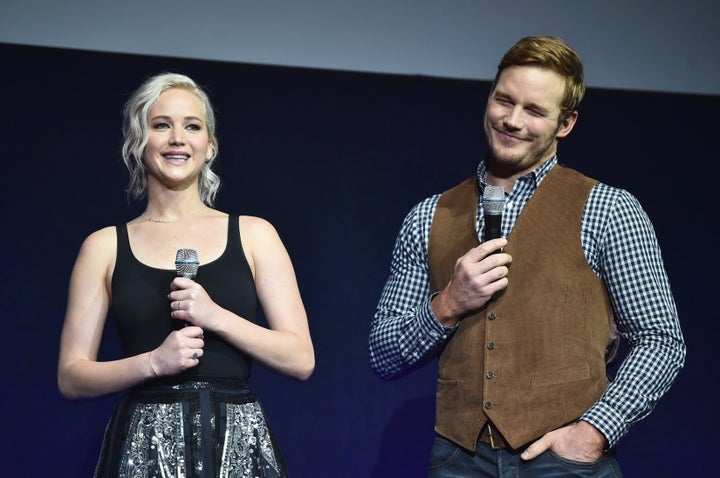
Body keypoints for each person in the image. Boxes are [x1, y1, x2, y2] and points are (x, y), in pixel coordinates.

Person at [368, 36, 685, 477]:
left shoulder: (608, 209)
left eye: (534, 111)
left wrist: (594, 432)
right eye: (504, 101)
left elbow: (662, 341)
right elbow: (384, 355)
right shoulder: (429, 216)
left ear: (566, 123)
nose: (513, 120)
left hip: (564, 462)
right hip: (459, 458)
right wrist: (448, 304)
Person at [57, 72, 314, 478]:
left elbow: (301, 359)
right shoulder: (103, 246)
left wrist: (216, 317)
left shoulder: (254, 234)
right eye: (161, 125)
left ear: (209, 145)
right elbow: (72, 377)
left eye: (192, 126)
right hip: (146, 445)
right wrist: (154, 363)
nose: (178, 138)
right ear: (139, 143)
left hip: (238, 444)